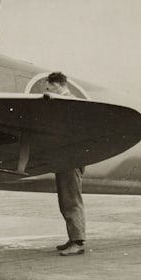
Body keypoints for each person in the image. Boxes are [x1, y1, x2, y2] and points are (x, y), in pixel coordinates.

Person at [45, 72, 86, 256]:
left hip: (71, 158)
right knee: (66, 200)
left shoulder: (71, 103)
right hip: (65, 158)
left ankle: (78, 243)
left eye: (48, 86)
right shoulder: (66, 102)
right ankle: (73, 238)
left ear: (57, 84)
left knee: (71, 200)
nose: (47, 89)